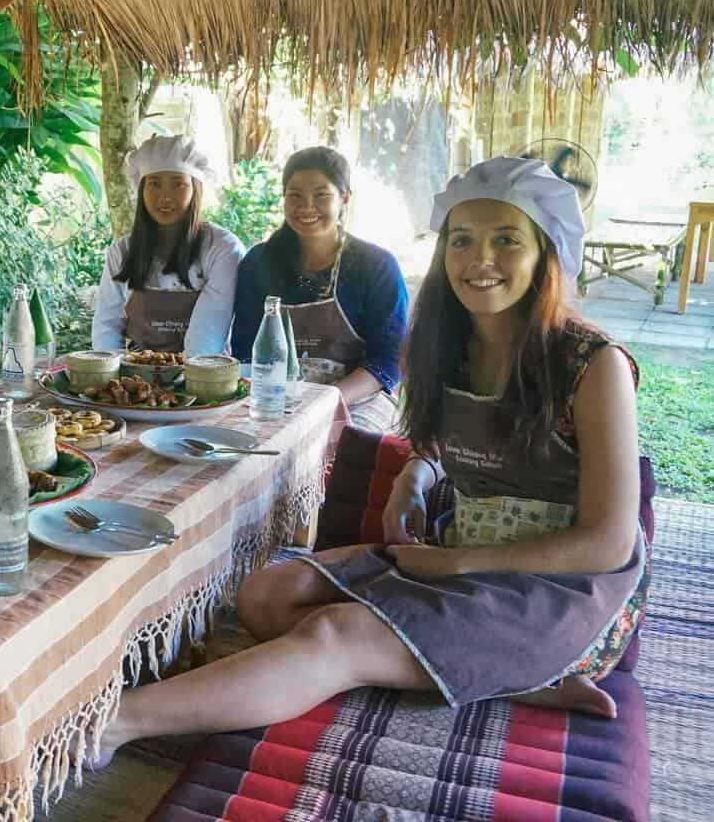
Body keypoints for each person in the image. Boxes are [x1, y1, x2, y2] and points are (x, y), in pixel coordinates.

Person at [93, 157, 646, 761]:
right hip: (458, 550)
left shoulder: (592, 365)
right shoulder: (447, 345)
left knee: (337, 633)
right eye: (461, 240)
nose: (478, 260)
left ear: (546, 253)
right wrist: (416, 473)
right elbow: (442, 442)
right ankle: (492, 670)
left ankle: (112, 725)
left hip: (564, 591)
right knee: (264, 596)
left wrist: (452, 568)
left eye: (506, 241)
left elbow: (608, 544)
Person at [230, 146, 408, 431]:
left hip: (356, 400)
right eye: (295, 195)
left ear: (344, 198)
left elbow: (387, 361)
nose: (306, 207)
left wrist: (326, 401)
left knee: (349, 455)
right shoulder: (259, 263)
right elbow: (245, 348)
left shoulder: (375, 265)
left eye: (321, 195)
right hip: (275, 397)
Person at [91, 135, 243, 358]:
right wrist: (114, 375)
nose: (165, 196)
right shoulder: (122, 251)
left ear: (195, 189)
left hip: (203, 376)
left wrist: (186, 380)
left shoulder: (222, 249)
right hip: (134, 377)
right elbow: (107, 324)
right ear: (141, 189)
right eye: (154, 184)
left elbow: (209, 331)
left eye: (178, 184)